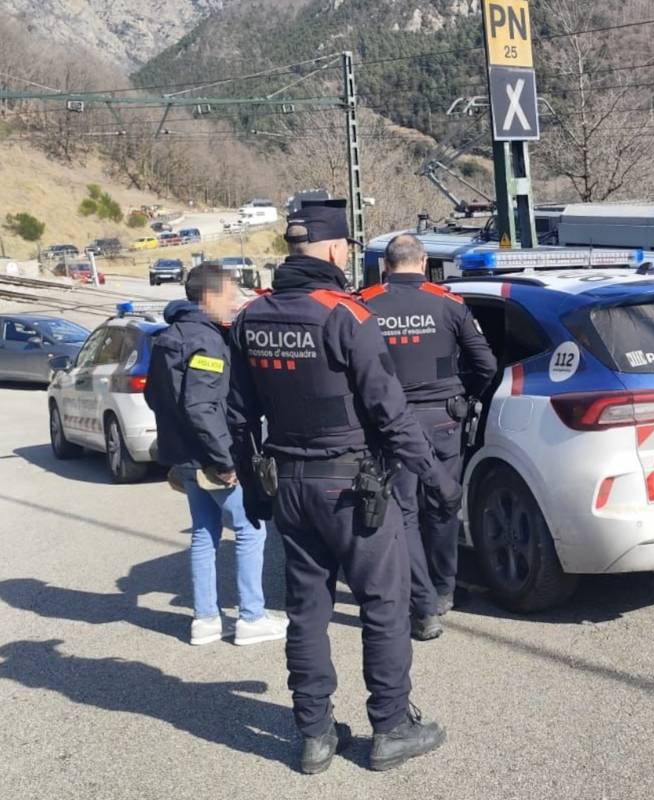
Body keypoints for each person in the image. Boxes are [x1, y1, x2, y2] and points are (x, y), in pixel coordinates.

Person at [226, 199, 459, 775]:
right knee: (383, 605)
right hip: (352, 489)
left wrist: (256, 490)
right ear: (335, 250)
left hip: (291, 488)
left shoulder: (252, 318)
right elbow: (389, 410)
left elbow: (236, 415)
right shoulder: (344, 316)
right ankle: (391, 726)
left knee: (307, 610)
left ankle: (314, 735)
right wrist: (434, 477)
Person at [359, 234, 496, 641]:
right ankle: (444, 589)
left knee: (402, 514)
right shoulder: (449, 302)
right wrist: (463, 393)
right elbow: (485, 364)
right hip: (444, 420)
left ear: (386, 265)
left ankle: (422, 608)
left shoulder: (365, 304)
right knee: (443, 502)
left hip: (391, 422)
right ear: (422, 263)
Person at [145, 263, 288, 648]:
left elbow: (154, 397)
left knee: (204, 535)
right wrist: (225, 461)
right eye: (229, 296)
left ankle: (205, 619)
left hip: (184, 459)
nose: (234, 303)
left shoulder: (167, 337)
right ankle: (251, 617)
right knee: (251, 529)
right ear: (208, 297)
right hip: (211, 460)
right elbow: (201, 406)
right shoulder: (205, 341)